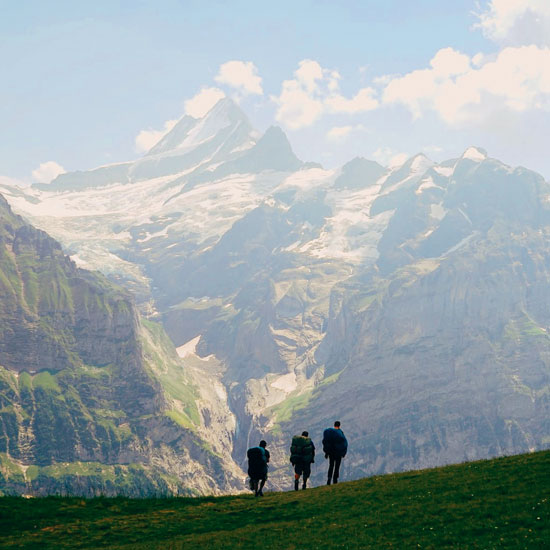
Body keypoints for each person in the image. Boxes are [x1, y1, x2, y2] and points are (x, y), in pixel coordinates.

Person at [322, 420, 348, 485]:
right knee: (337, 466)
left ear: (334, 425)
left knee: (331, 465)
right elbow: (344, 443)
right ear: (339, 425)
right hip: (338, 453)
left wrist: (326, 453)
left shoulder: (329, 433)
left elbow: (326, 442)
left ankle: (329, 478)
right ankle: (335, 479)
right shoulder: (340, 433)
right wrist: (343, 453)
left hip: (331, 452)